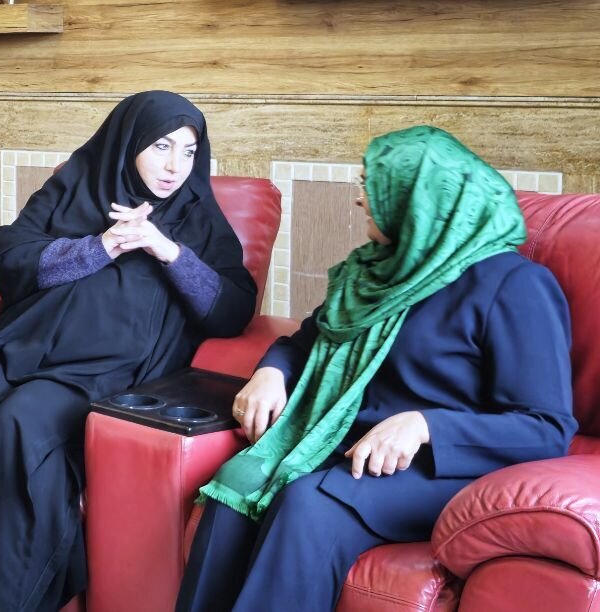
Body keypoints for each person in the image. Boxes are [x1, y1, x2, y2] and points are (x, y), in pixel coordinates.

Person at [177, 126, 577, 612]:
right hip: (342, 441)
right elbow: (307, 341)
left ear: (417, 196)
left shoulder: (515, 285)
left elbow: (546, 428)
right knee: (239, 482)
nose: (360, 199)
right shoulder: (371, 272)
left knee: (311, 502)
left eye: (372, 185)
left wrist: (425, 426)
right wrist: (271, 372)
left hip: (441, 466)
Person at [0, 91, 257, 612]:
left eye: (189, 151)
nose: (176, 166)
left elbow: (232, 310)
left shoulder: (198, 217)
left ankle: (3, 600)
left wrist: (166, 249)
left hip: (112, 370)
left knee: (18, 425)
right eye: (161, 146)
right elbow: (10, 259)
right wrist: (102, 246)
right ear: (128, 143)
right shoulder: (76, 185)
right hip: (24, 345)